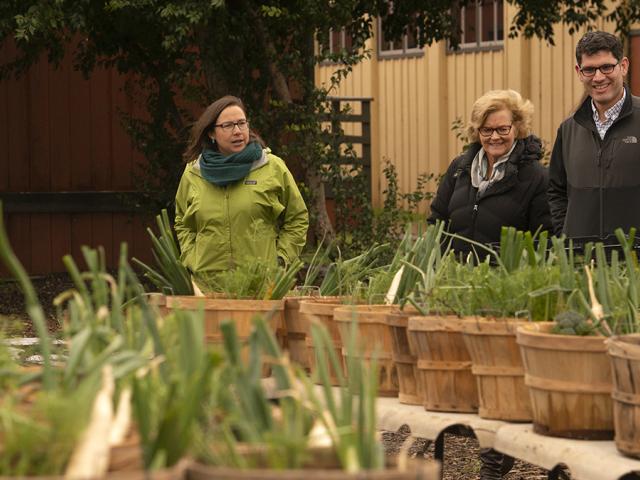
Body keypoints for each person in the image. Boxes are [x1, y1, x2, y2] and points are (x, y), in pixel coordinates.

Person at [174, 95, 309, 285]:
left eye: (241, 123)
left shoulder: (272, 167)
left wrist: (280, 260)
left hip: (260, 285)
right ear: (211, 133)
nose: (237, 131)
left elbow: (298, 218)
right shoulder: (193, 173)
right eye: (228, 125)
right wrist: (191, 257)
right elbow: (182, 221)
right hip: (208, 287)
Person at [428, 89, 552, 257]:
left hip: (503, 280)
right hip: (454, 278)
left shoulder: (537, 178)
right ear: (477, 131)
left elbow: (543, 243)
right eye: (486, 130)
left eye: (502, 129)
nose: (494, 137)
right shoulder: (459, 169)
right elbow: (437, 221)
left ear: (517, 127)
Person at [548, 31, 640, 239]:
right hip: (582, 262)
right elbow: (556, 191)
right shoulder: (568, 129)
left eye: (606, 67)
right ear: (579, 72)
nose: (598, 77)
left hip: (633, 263)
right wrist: (566, 236)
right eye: (589, 69)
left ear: (623, 66)